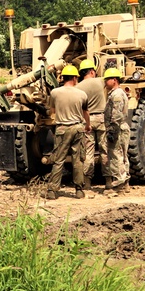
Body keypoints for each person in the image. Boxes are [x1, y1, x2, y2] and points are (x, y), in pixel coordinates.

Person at [45, 64, 91, 200]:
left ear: (62, 77)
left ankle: (52, 191)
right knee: (78, 160)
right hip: (77, 128)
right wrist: (87, 125)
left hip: (61, 129)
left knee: (58, 160)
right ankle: (79, 191)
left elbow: (52, 110)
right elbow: (85, 113)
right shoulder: (82, 94)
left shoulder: (55, 92)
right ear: (75, 78)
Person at [76, 59, 108, 195]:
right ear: (92, 71)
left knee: (88, 152)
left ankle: (87, 183)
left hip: (87, 120)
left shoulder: (78, 87)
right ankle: (109, 182)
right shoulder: (100, 82)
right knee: (105, 150)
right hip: (101, 119)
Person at [103, 67, 131, 195]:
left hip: (118, 127)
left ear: (114, 80)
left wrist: (112, 130)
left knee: (116, 156)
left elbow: (117, 114)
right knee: (123, 156)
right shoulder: (116, 93)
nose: (105, 82)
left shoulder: (117, 94)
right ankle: (125, 184)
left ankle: (119, 185)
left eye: (107, 79)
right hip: (121, 127)